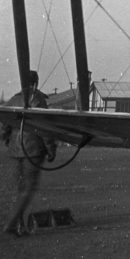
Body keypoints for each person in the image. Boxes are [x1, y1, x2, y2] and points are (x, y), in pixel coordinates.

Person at [2, 70, 56, 236]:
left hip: (15, 150)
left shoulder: (13, 100)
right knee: (27, 189)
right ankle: (11, 225)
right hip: (32, 151)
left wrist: (7, 140)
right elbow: (44, 129)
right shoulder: (38, 100)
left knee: (20, 190)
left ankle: (20, 227)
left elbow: (5, 126)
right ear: (36, 83)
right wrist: (51, 149)